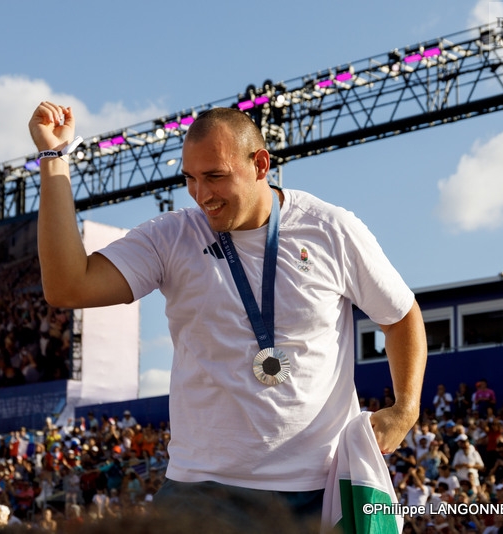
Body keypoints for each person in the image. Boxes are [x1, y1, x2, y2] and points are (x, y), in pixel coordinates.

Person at [29, 103, 427, 523]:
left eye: (215, 176)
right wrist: (54, 159)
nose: (202, 194)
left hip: (314, 489)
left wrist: (406, 409)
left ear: (260, 164)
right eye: (190, 178)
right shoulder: (172, 237)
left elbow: (401, 316)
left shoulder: (329, 229)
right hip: (201, 491)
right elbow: (68, 287)